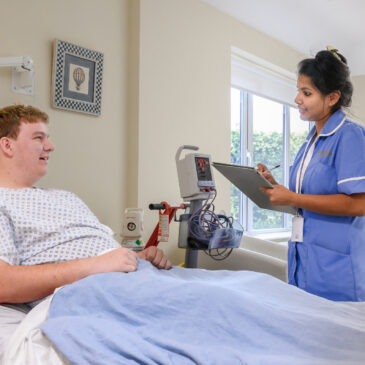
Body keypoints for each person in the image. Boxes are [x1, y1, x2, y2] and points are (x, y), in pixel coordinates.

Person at [0, 104, 171, 348]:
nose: (50, 146)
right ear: (7, 145)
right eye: (39, 137)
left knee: (234, 293)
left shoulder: (66, 197)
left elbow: (99, 251)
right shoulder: (2, 201)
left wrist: (139, 257)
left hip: (137, 278)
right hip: (92, 293)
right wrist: (95, 266)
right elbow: (3, 283)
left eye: (48, 138)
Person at [258, 47, 365, 301]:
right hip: (304, 263)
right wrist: (277, 188)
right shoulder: (309, 143)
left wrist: (293, 198)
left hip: (337, 271)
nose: (297, 99)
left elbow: (360, 203)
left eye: (307, 93)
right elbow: (305, 200)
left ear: (332, 97)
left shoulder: (349, 135)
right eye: (298, 91)